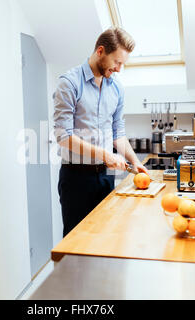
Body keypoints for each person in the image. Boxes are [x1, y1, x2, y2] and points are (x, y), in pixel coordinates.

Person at [53, 27, 148, 237]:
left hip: (105, 177)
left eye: (122, 63)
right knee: (75, 244)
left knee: (105, 238)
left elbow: (118, 134)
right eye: (117, 62)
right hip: (75, 178)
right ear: (100, 51)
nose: (119, 69)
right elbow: (63, 136)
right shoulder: (69, 83)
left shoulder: (116, 88)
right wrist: (105, 155)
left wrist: (135, 161)